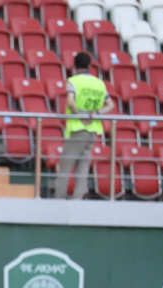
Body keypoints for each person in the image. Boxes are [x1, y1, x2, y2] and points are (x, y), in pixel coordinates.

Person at [54, 52, 114, 200]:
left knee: (65, 165)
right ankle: (78, 198)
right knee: (83, 165)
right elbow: (110, 105)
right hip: (93, 130)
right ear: (89, 65)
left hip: (77, 128)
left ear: (75, 66)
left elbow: (70, 101)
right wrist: (95, 113)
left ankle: (59, 198)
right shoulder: (99, 83)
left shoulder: (73, 81)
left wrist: (81, 115)